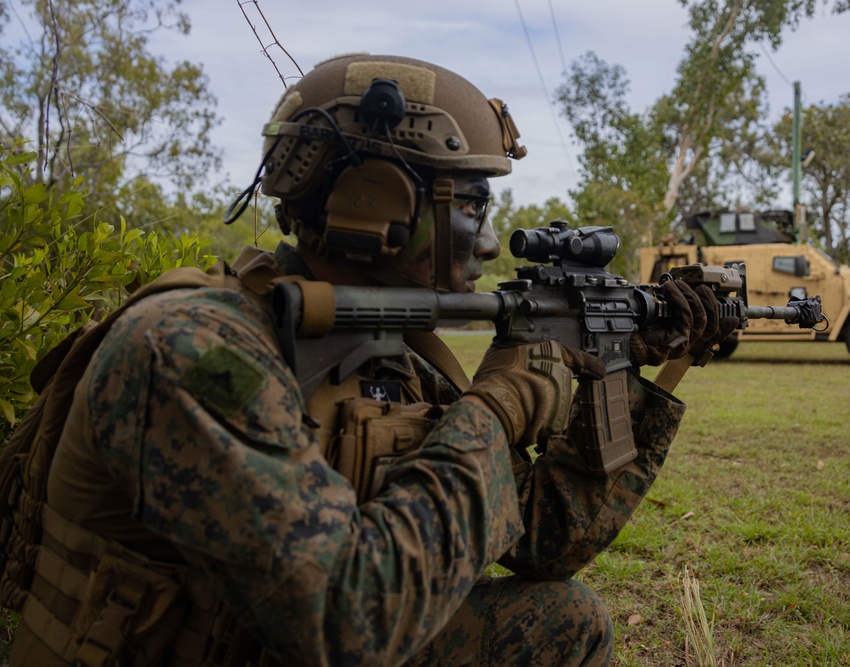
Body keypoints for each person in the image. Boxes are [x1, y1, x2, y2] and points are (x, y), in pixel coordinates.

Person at [1, 54, 734, 666]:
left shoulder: (392, 351)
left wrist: (623, 371)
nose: (487, 243)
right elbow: (346, 620)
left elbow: (542, 542)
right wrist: (499, 407)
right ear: (372, 200)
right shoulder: (193, 351)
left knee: (562, 620)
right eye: (471, 204)